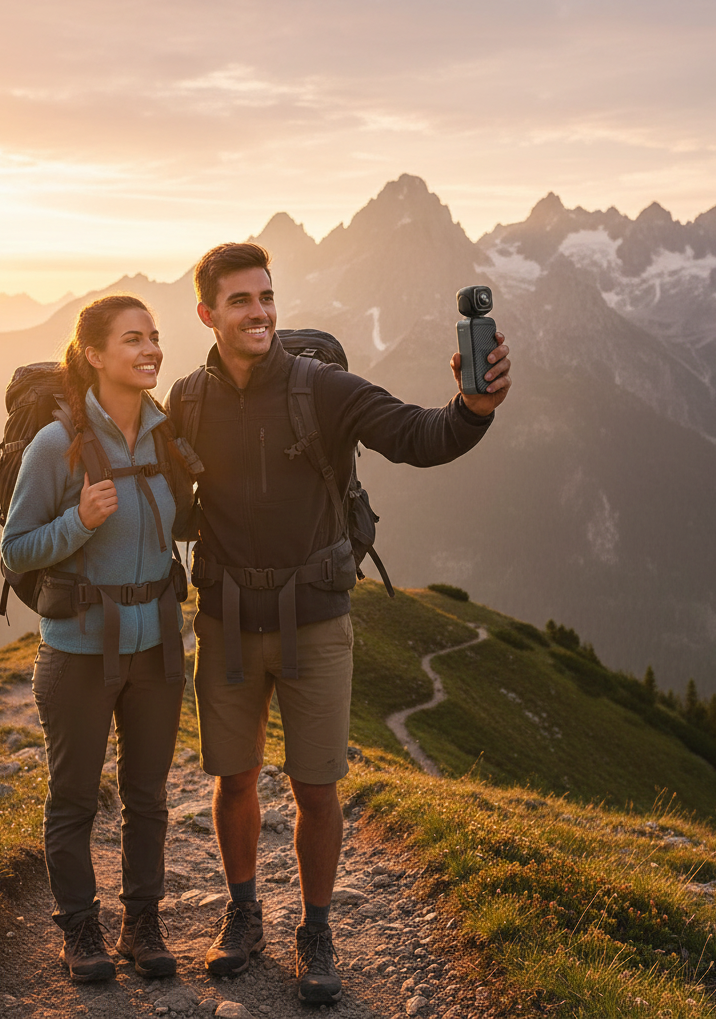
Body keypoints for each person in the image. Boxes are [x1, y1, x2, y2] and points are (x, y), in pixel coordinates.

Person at [165, 243, 511, 1003]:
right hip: (225, 618)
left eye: (266, 297)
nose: (259, 313)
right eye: (241, 302)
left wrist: (471, 411)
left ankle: (315, 929)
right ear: (207, 315)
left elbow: (420, 436)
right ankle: (244, 911)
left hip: (315, 620)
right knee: (234, 780)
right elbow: (150, 488)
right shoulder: (186, 400)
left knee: (316, 786)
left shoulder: (323, 388)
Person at [2, 294, 190, 983]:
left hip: (159, 646)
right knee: (75, 797)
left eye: (155, 338)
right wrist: (79, 521)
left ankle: (142, 924)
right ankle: (80, 931)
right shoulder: (59, 443)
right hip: (78, 651)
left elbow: (184, 523)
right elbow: (15, 549)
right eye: (133, 339)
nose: (150, 351)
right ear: (94, 355)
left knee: (148, 796)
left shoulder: (167, 436)